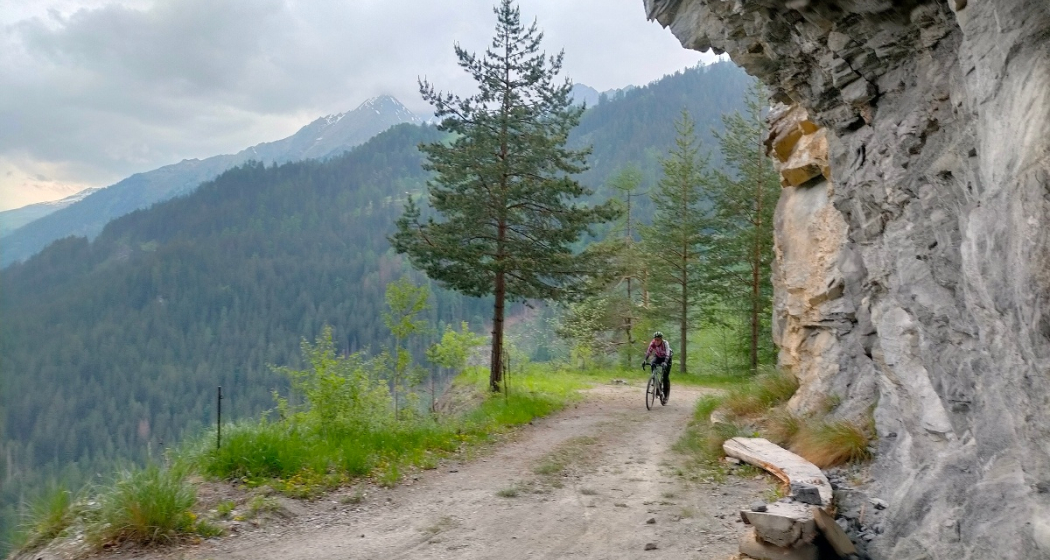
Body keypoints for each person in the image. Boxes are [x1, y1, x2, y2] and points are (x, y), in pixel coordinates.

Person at [643, 331, 673, 404]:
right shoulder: (653, 343)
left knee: (665, 377)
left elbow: (668, 353)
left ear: (661, 339)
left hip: (667, 358)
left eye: (658, 340)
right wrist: (644, 360)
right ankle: (655, 380)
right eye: (655, 339)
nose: (656, 341)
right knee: (652, 363)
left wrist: (665, 362)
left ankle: (665, 396)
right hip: (658, 356)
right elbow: (649, 351)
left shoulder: (665, 343)